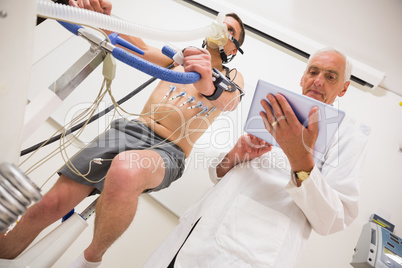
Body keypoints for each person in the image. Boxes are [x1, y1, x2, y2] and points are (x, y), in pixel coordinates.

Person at [0, 0, 246, 267]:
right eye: (220, 23)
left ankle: (91, 259)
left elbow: (229, 102)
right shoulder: (179, 59)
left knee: (126, 169)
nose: (222, 28)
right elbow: (136, 47)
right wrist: (107, 19)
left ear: (234, 47)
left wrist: (208, 82)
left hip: (168, 150)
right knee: (47, 206)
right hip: (130, 130)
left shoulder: (231, 77)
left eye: (230, 29)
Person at [142, 47, 369, 267]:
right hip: (194, 232)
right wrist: (234, 157)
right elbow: (218, 175)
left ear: (344, 88)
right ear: (303, 78)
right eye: (313, 71)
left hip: (246, 254)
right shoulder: (272, 108)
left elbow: (333, 219)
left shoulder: (347, 137)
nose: (318, 80)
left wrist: (300, 160)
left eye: (330, 76)